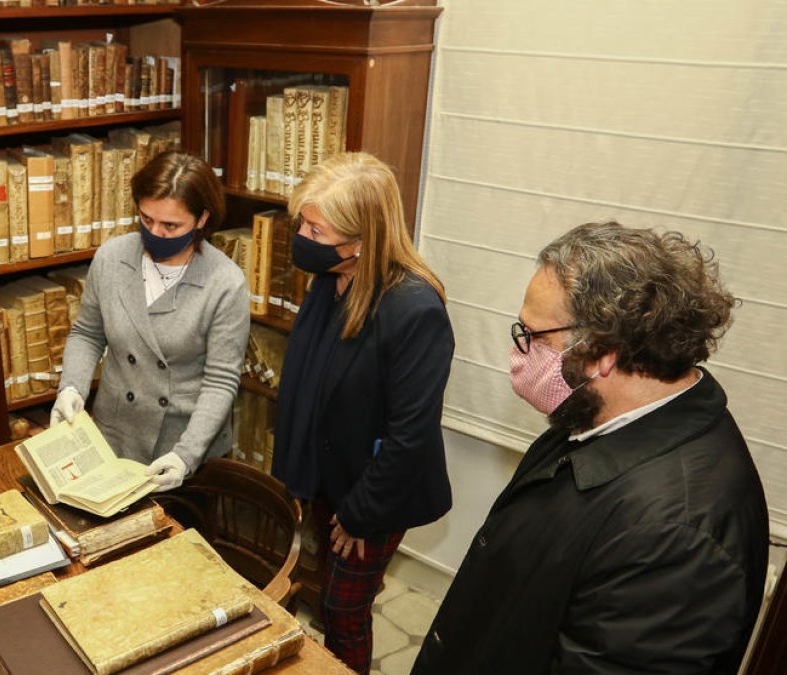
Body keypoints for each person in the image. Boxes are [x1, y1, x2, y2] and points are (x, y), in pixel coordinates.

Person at [411, 222, 768, 674]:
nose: (519, 351)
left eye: (534, 336)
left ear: (604, 352)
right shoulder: (592, 414)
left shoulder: (678, 534)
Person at [270, 152, 454, 674]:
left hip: (374, 492)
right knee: (325, 592)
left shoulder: (414, 309)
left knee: (343, 611)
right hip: (329, 475)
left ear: (361, 241)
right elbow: (314, 384)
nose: (302, 235)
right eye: (302, 221)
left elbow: (409, 437)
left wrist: (358, 516)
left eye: (315, 228)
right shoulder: (331, 278)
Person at [52, 150, 250, 491]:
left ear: (202, 219)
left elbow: (221, 381)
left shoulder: (225, 283)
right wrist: (71, 386)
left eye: (171, 225)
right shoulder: (111, 258)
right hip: (114, 433)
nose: (155, 232)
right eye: (146, 219)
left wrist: (185, 456)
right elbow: (87, 333)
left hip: (182, 443)